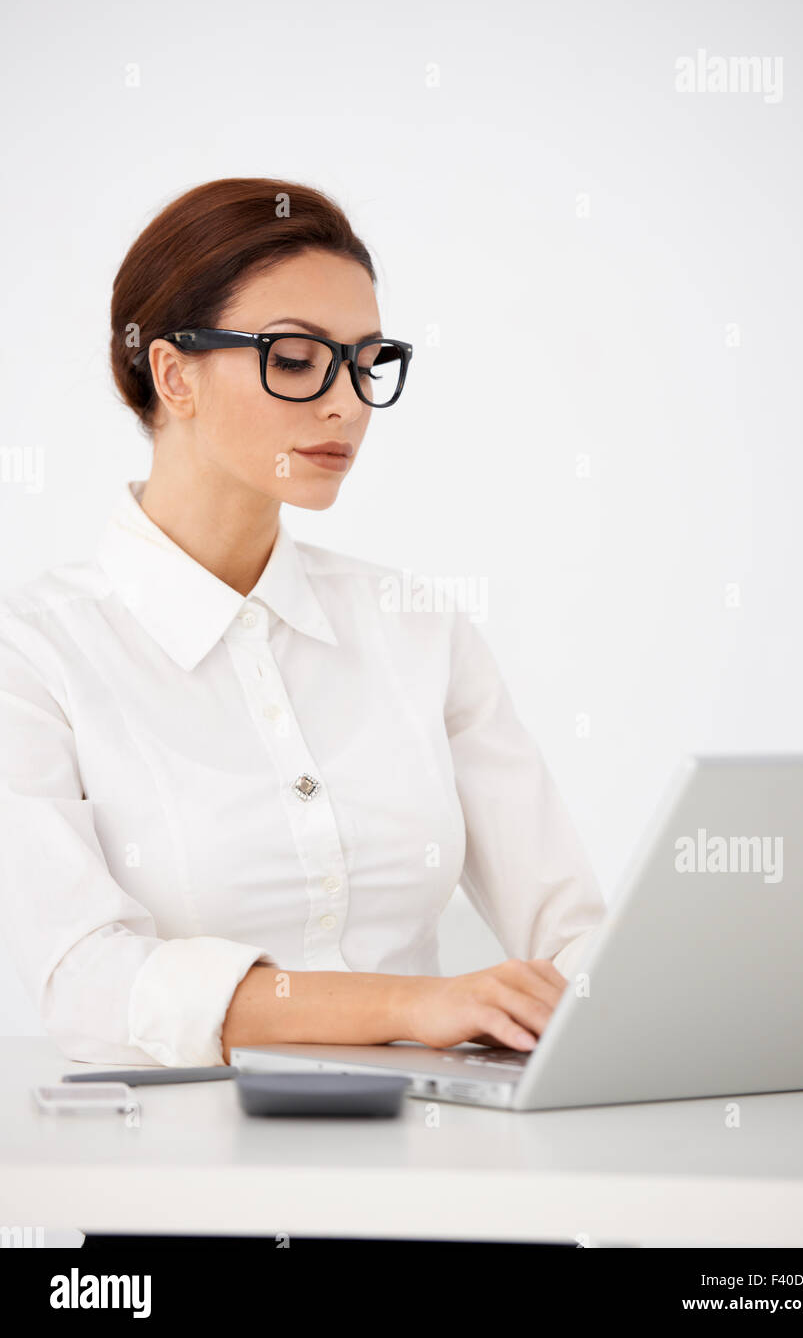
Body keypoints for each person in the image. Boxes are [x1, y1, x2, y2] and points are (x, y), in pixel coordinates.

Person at [0, 177, 605, 1067]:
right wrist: (413, 1003)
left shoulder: (416, 631)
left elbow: (575, 936)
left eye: (367, 361)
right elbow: (89, 981)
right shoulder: (39, 653)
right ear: (173, 374)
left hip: (429, 1162)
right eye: (295, 359)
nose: (347, 403)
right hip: (177, 1180)